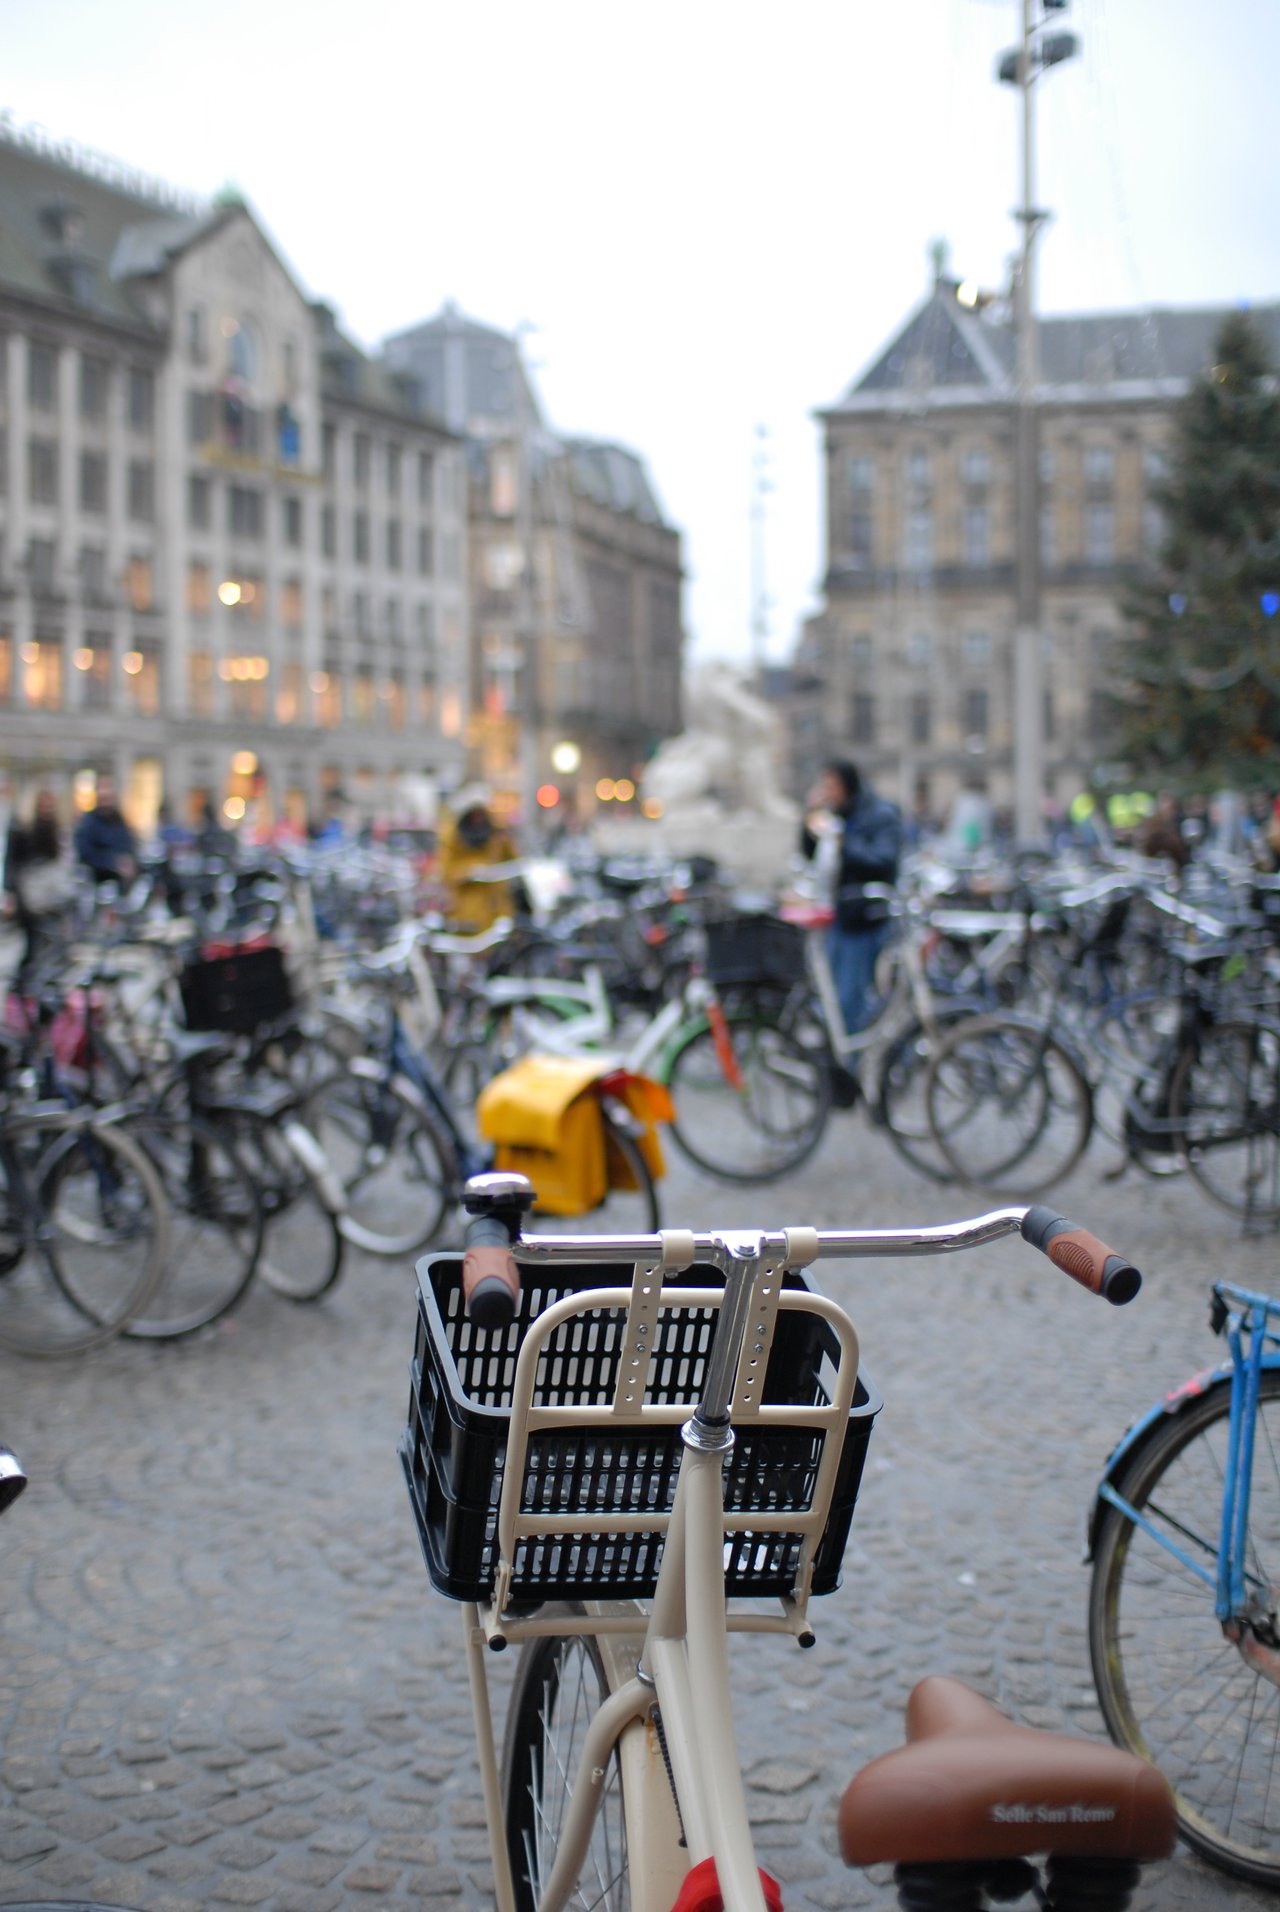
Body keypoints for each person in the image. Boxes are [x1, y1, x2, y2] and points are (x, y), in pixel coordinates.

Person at [802, 758, 904, 1044]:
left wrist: (843, 842)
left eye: (832, 786)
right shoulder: (836, 814)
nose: (828, 792)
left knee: (851, 998)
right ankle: (838, 1057)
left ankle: (850, 1065)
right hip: (839, 915)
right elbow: (810, 853)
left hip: (864, 918)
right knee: (833, 997)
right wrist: (809, 820)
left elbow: (883, 861)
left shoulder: (879, 815)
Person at [3, 789, 70, 980]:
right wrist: (11, 892)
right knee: (30, 943)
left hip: (48, 895)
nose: (46, 809)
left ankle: (41, 986)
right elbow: (12, 862)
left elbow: (57, 861)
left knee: (51, 943)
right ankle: (23, 986)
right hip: (26, 894)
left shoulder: (54, 828)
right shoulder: (22, 827)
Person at [438, 785, 519, 932]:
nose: (478, 819)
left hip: (497, 907)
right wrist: (471, 871)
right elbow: (445, 872)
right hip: (468, 910)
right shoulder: (454, 837)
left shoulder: (495, 834)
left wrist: (505, 838)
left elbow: (514, 861)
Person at [73, 775, 137, 889]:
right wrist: (113, 862)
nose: (105, 793)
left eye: (108, 788)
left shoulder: (119, 820)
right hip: (97, 882)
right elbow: (85, 854)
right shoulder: (88, 822)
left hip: (119, 883)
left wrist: (129, 862)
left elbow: (128, 846)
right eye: (102, 788)